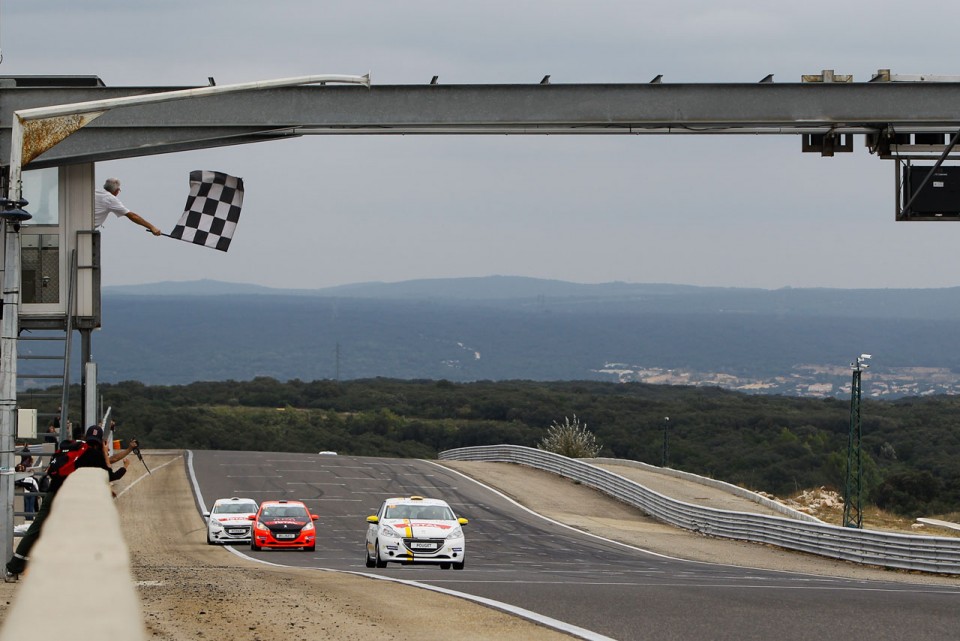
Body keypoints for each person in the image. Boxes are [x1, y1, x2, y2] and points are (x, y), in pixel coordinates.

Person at [4, 425, 129, 582]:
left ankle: (12, 569)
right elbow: (109, 475)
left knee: (36, 530)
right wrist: (107, 455)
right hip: (70, 498)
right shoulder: (94, 455)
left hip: (52, 492)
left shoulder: (73, 448)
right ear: (101, 441)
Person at [94, 178, 163, 235]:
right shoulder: (110, 199)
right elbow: (132, 216)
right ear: (117, 190)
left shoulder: (94, 191)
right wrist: (152, 227)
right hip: (89, 230)